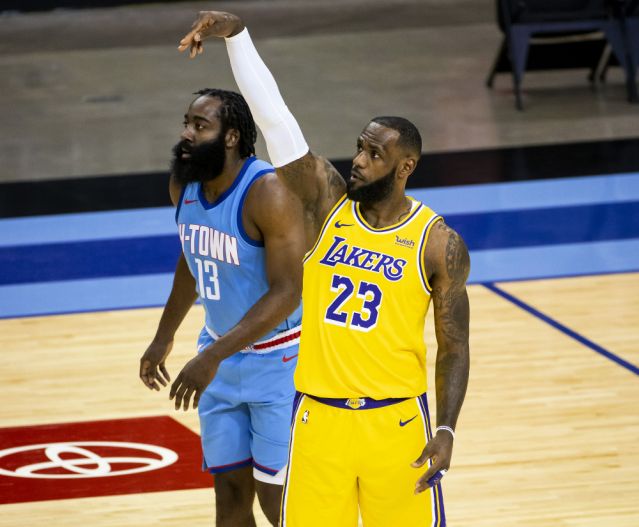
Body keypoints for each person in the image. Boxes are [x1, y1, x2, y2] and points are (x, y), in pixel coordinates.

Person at [177, 11, 471, 527]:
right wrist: (238, 37)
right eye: (359, 148)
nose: (358, 160)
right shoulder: (328, 206)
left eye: (374, 155)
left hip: (397, 421)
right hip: (317, 418)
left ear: (405, 167)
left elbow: (455, 346)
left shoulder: (437, 243)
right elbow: (276, 123)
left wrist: (445, 430)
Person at [139, 87, 305, 527]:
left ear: (231, 137)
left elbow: (287, 290)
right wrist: (163, 337)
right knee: (229, 496)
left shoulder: (268, 191)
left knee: (279, 503)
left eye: (200, 125)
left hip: (278, 364)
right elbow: (193, 260)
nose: (186, 133)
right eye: (187, 122)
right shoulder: (184, 186)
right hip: (219, 361)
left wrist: (210, 356)